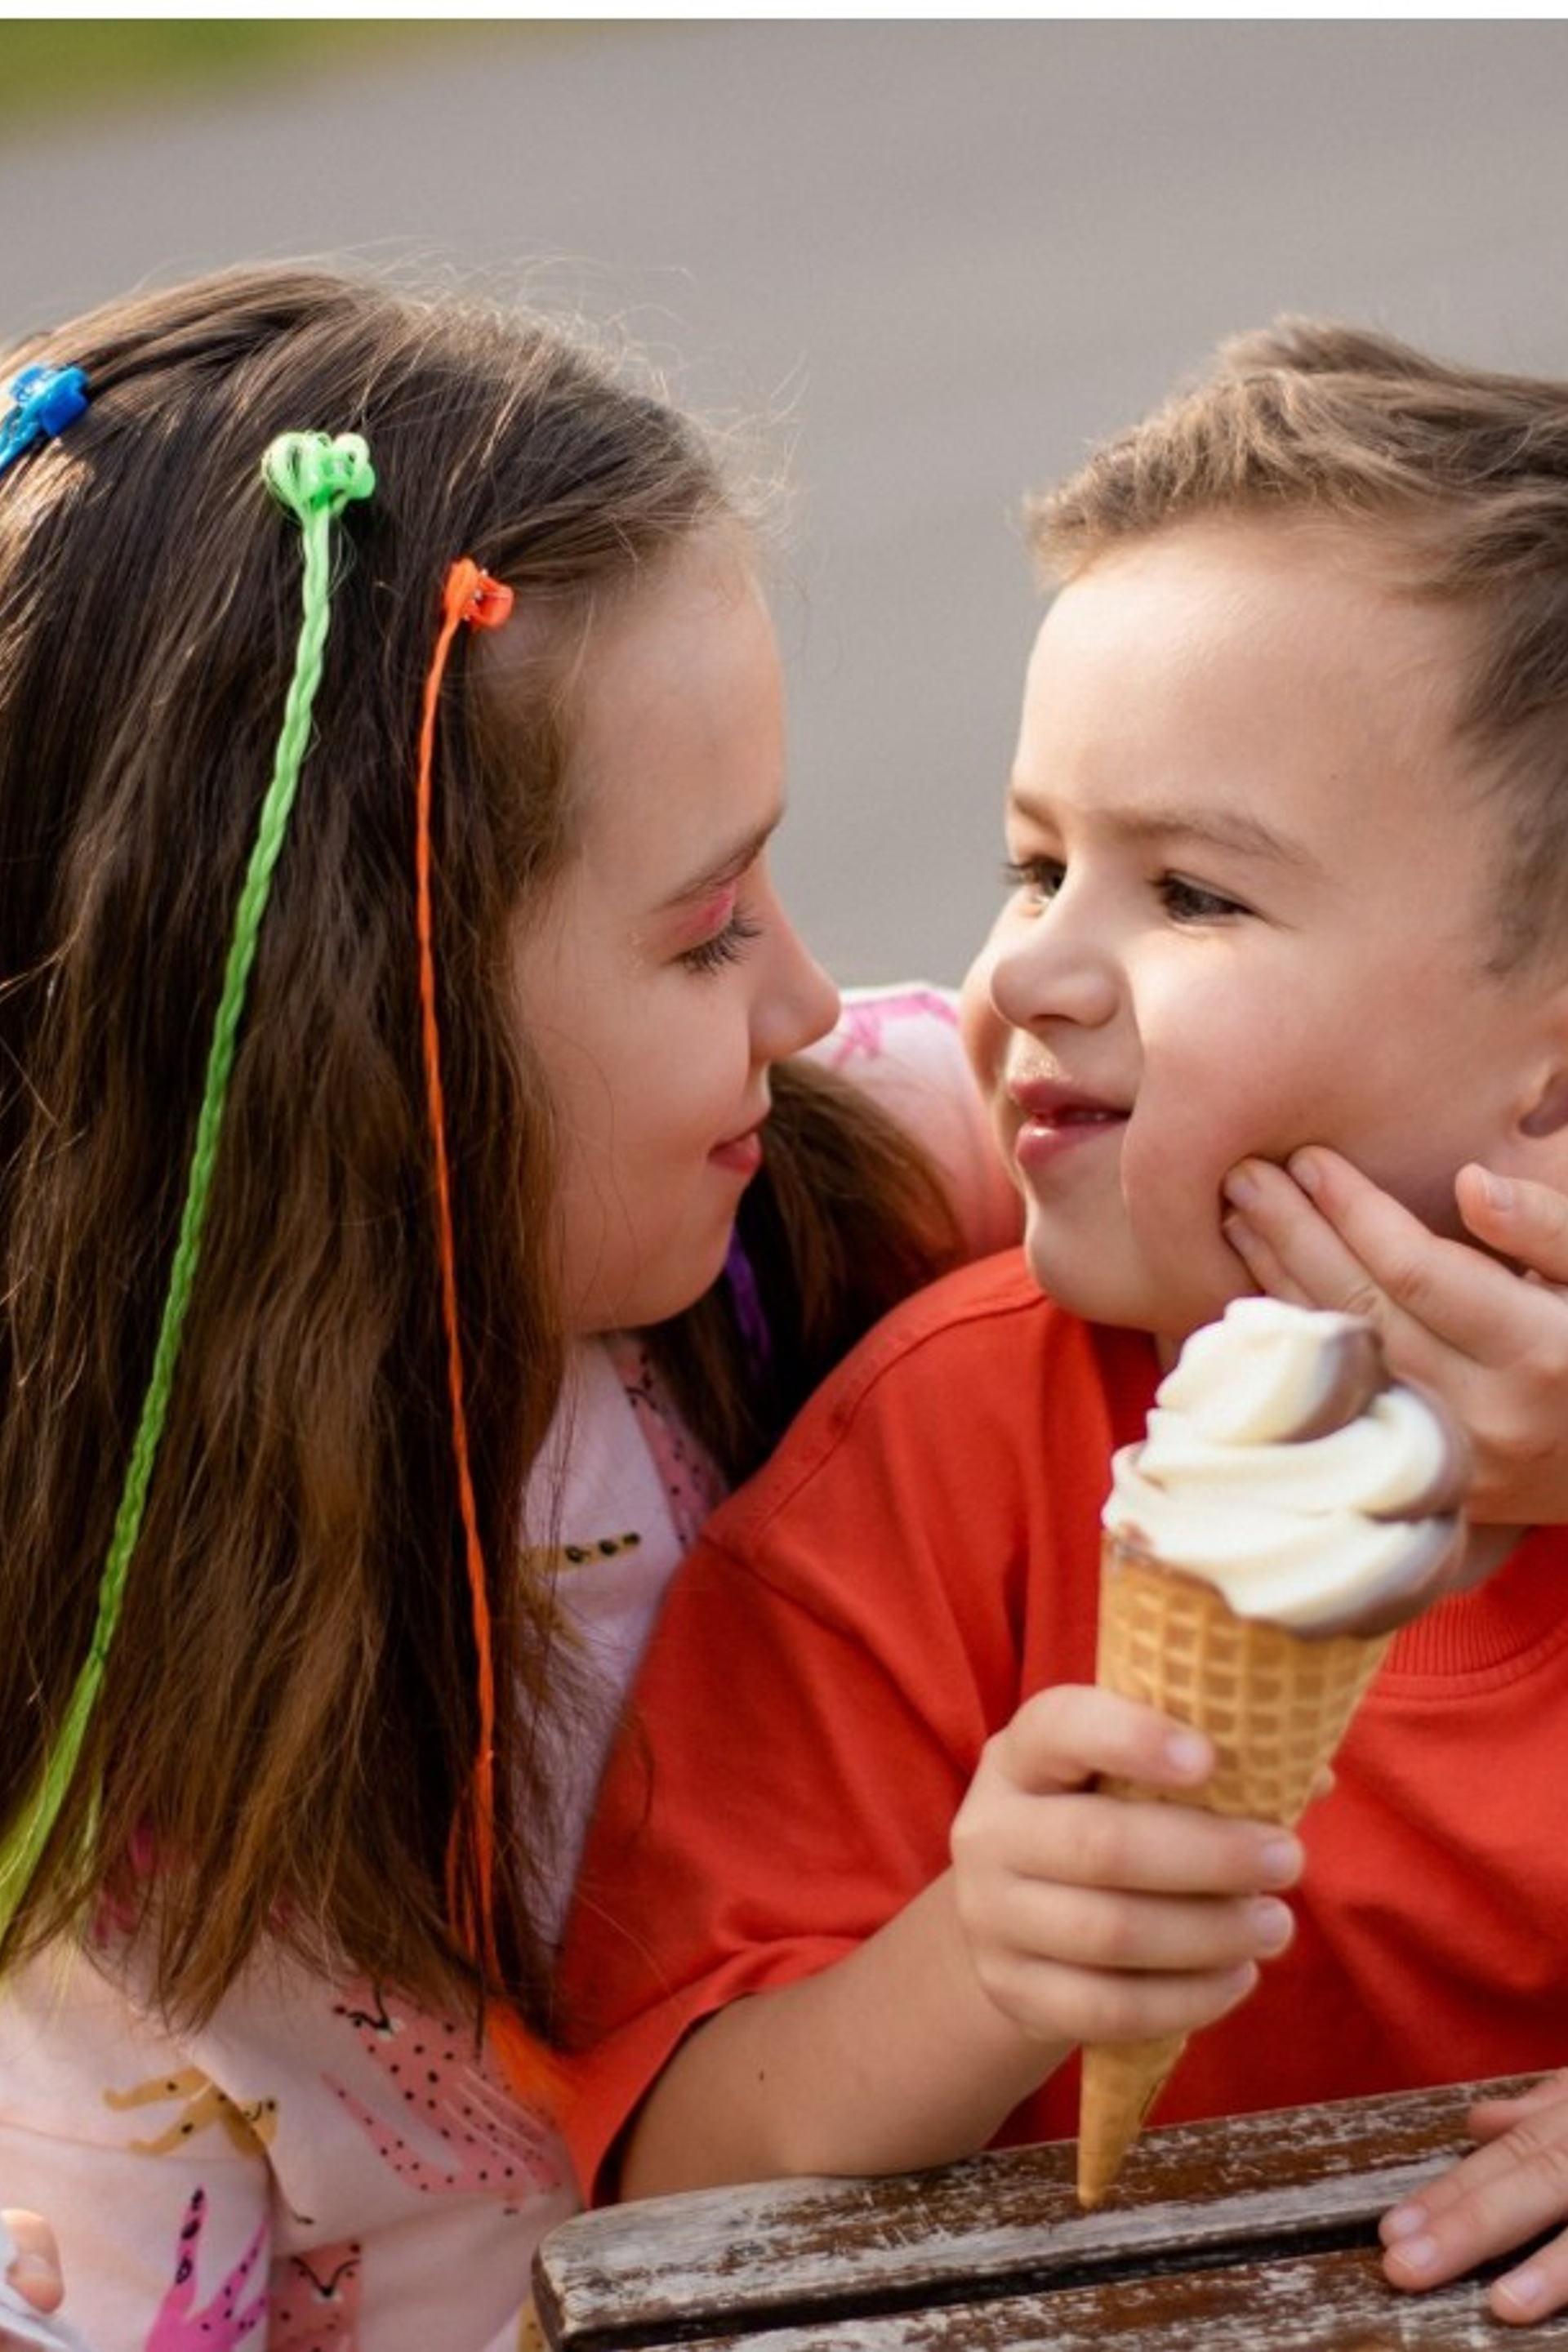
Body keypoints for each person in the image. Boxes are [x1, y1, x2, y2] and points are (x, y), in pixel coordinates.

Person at [0, 264, 1018, 2352]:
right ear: (360, 1042)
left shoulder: (828, 1171)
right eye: (709, 928)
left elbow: (1326, 1104)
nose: (815, 1003)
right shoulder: (89, 1862)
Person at [558, 319, 1568, 2329]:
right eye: (1037, 860)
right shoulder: (931, 1466)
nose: (1039, 963)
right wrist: (974, 1967)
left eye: (1190, 894)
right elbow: (658, 2179)